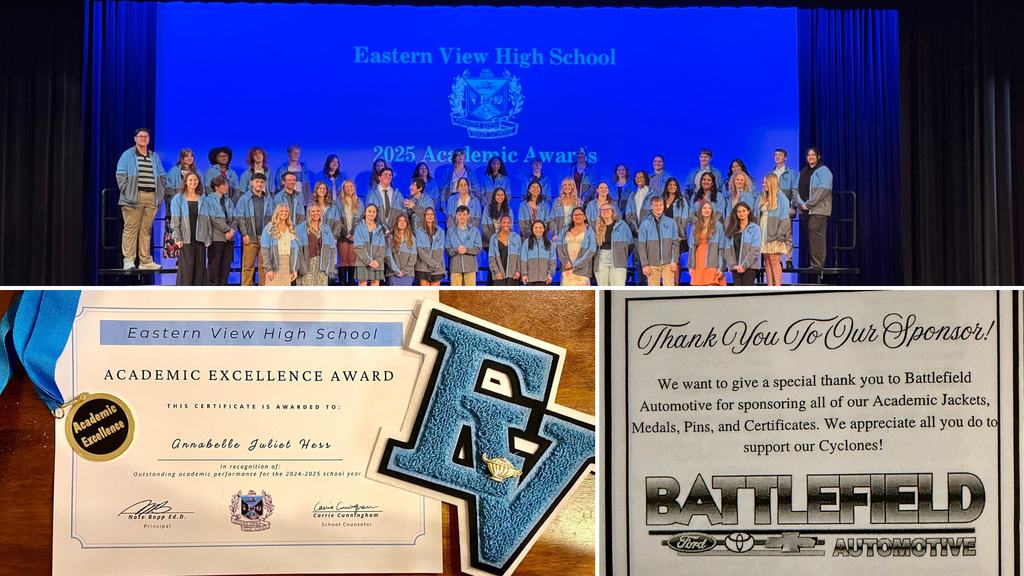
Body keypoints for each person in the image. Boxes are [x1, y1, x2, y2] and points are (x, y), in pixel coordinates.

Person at [115, 127, 166, 270]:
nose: (144, 139)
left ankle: (145, 261)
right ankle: (129, 260)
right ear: (135, 139)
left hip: (151, 197)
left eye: (146, 137)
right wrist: (127, 191)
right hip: (133, 197)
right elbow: (120, 174)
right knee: (131, 228)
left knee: (146, 229)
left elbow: (162, 176)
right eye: (141, 136)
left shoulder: (153, 156)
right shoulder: (128, 155)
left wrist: (159, 194)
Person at [796, 147, 833, 270]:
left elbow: (822, 191)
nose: (811, 157)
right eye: (809, 155)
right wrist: (801, 204)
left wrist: (809, 204)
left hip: (818, 210)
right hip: (804, 210)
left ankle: (817, 265)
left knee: (815, 235)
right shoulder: (803, 172)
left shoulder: (824, 171)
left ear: (818, 157)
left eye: (813, 155)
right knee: (810, 236)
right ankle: (813, 263)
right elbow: (795, 190)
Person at [233, 172, 272, 286]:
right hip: (250, 237)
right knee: (248, 266)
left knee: (264, 267)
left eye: (261, 182)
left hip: (265, 239)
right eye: (257, 182)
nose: (259, 184)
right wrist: (244, 234)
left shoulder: (269, 199)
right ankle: (246, 293)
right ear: (252, 183)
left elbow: (273, 219)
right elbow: (240, 218)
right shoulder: (244, 199)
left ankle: (263, 292)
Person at [170, 172, 208, 286]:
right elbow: (175, 220)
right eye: (190, 180)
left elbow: (207, 219)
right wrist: (178, 237)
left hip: (199, 235)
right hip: (186, 235)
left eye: (195, 180)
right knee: (187, 265)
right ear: (185, 182)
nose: (193, 182)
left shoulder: (202, 198)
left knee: (200, 265)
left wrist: (208, 237)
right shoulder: (178, 198)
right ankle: (184, 294)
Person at [755, 173, 793, 286]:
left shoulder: (782, 199)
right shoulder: (761, 197)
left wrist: (781, 236)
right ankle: (770, 285)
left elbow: (785, 221)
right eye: (763, 182)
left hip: (775, 233)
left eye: (766, 182)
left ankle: (778, 286)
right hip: (763, 232)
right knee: (766, 259)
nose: (763, 185)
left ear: (772, 183)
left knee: (774, 259)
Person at [637, 196, 680, 286]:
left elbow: (675, 243)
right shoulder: (645, 224)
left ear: (663, 206)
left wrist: (674, 260)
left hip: (668, 263)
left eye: (660, 205)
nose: (658, 207)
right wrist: (645, 264)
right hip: (652, 264)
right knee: (653, 291)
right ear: (651, 207)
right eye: (656, 205)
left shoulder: (671, 222)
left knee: (669, 290)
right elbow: (642, 246)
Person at [201, 175, 236, 286]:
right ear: (216, 187)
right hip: (217, 237)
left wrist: (232, 230)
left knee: (226, 266)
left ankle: (223, 288)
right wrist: (227, 229)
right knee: (214, 265)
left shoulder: (228, 200)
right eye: (223, 185)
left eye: (226, 184)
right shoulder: (209, 200)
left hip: (229, 238)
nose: (226, 187)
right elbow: (213, 218)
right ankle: (212, 288)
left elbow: (235, 217)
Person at [296, 203, 338, 286]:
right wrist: (301, 267)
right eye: (313, 211)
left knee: (320, 295)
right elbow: (297, 250)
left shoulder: (326, 228)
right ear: (309, 213)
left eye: (318, 211)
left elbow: (332, 249)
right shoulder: (301, 228)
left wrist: (329, 267)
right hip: (306, 266)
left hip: (322, 266)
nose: (315, 213)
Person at [688, 200, 727, 286]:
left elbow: (722, 248)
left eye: (709, 208)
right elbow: (692, 247)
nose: (707, 210)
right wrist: (691, 266)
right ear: (700, 210)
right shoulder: (695, 225)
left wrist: (721, 267)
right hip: (698, 262)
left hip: (712, 261)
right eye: (704, 208)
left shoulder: (718, 226)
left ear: (712, 211)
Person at [772, 148, 800, 265]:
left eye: (780, 155)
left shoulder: (791, 173)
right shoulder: (771, 174)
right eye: (775, 155)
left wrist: (793, 207)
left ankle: (788, 259)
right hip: (774, 209)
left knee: (788, 234)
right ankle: (778, 259)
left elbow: (794, 191)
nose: (777, 157)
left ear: (785, 158)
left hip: (787, 208)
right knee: (776, 234)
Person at [260, 204, 299, 287]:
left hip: (287, 267)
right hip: (274, 265)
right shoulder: (269, 228)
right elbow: (265, 250)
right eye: (281, 211)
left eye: (286, 211)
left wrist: (294, 269)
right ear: (277, 212)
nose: (284, 213)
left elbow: (296, 251)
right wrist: (268, 268)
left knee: (284, 296)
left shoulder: (292, 229)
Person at [724, 201, 761, 286]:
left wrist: (744, 266)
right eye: (739, 211)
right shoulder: (731, 229)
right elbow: (727, 250)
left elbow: (755, 249)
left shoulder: (755, 228)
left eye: (744, 211)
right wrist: (733, 265)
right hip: (735, 267)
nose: (741, 213)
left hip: (750, 267)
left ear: (748, 212)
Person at [557, 207, 596, 286]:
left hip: (582, 269)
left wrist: (578, 264)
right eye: (575, 215)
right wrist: (565, 262)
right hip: (567, 268)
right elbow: (559, 247)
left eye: (580, 214)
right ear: (572, 217)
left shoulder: (590, 231)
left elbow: (592, 249)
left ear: (584, 217)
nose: (577, 216)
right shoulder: (564, 230)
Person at [593, 203, 631, 286]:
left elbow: (630, 243)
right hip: (601, 258)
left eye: (607, 209)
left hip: (618, 258)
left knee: (617, 285)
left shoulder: (622, 225)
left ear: (612, 212)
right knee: (603, 285)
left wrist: (622, 255)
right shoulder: (597, 227)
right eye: (602, 210)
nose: (605, 212)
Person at [335, 179, 364, 286]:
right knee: (343, 260)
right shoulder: (338, 201)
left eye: (351, 186)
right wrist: (346, 233)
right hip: (342, 235)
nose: (349, 188)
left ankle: (351, 285)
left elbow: (361, 219)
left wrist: (352, 234)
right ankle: (343, 286)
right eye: (346, 187)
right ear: (343, 189)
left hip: (354, 236)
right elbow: (336, 219)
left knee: (352, 261)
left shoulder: (359, 201)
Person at [445, 205, 482, 286]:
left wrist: (467, 250)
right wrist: (456, 249)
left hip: (470, 267)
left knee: (470, 294)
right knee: (455, 294)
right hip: (455, 267)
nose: (462, 217)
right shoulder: (450, 231)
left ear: (468, 216)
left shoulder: (474, 231)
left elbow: (478, 248)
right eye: (460, 214)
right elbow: (447, 249)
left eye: (464, 214)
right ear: (456, 216)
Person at [353, 204, 386, 286]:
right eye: (369, 211)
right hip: (362, 262)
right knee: (363, 290)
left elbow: (382, 248)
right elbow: (358, 247)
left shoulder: (379, 228)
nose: (371, 214)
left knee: (375, 291)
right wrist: (369, 261)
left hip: (377, 263)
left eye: (374, 212)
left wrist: (377, 261)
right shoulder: (359, 227)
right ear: (365, 213)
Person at [366, 167, 404, 232]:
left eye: (390, 175)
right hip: (377, 231)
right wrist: (383, 228)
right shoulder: (371, 194)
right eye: (385, 174)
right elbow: (368, 214)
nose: (388, 176)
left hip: (394, 232)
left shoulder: (398, 194)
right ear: (379, 177)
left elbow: (403, 212)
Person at [414, 207, 445, 286]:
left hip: (437, 267)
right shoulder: (419, 232)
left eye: (432, 214)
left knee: (434, 293)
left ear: (434, 216)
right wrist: (432, 264)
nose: (430, 216)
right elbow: (421, 251)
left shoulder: (440, 232)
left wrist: (435, 265)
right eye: (427, 214)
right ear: (424, 216)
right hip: (423, 266)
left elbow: (440, 250)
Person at [519, 221, 556, 286]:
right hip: (530, 279)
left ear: (544, 229)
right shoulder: (526, 242)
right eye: (535, 228)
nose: (538, 230)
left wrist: (550, 275)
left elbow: (552, 261)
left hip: (544, 279)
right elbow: (523, 260)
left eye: (540, 228)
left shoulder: (549, 243)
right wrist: (524, 274)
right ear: (532, 229)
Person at [489, 215, 521, 286]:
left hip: (513, 275)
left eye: (508, 223)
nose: (506, 224)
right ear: (500, 223)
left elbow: (519, 257)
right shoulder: (494, 238)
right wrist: (496, 272)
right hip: (499, 275)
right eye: (504, 222)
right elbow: (491, 258)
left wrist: (518, 271)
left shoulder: (516, 238)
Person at [386, 214, 417, 286]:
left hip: (407, 274)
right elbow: (388, 255)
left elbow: (413, 257)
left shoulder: (412, 238)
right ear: (397, 223)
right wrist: (396, 271)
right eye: (400, 221)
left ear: (407, 223)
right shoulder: (391, 237)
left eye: (404, 221)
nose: (402, 223)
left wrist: (404, 271)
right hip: (393, 273)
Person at [165, 148, 199, 213]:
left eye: (191, 156)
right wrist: (175, 202)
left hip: (193, 203)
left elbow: (200, 188)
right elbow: (169, 188)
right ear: (182, 157)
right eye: (186, 156)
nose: (190, 158)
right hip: (178, 203)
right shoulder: (174, 170)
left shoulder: (197, 172)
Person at [481, 187, 510, 260]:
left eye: (502, 195)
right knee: (492, 266)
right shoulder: (487, 209)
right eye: (498, 195)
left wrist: (501, 240)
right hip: (489, 243)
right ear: (494, 196)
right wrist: (493, 240)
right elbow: (484, 227)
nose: (500, 197)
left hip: (504, 242)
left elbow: (510, 227)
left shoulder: (508, 210)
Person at [549, 178, 581, 243]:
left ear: (573, 187)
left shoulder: (578, 203)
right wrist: (554, 234)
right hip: (558, 237)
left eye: (569, 185)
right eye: (564, 185)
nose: (567, 187)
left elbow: (581, 221)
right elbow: (552, 220)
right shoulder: (556, 202)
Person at [623, 170, 653, 237]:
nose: (639, 179)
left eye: (641, 177)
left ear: (646, 178)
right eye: (637, 177)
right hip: (635, 234)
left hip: (650, 232)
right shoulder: (632, 195)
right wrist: (635, 229)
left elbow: (654, 212)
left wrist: (645, 228)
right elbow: (628, 214)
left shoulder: (653, 194)